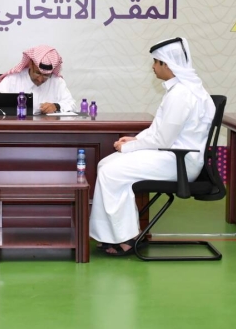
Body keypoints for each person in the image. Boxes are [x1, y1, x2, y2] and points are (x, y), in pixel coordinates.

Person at [89, 37, 215, 256]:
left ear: (167, 64)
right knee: (105, 164)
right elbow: (159, 130)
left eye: (156, 62)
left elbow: (163, 140)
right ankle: (111, 235)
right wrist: (134, 140)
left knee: (111, 172)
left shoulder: (183, 94)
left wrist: (130, 148)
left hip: (179, 161)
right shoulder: (178, 91)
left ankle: (125, 239)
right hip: (170, 156)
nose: (153, 67)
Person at [0, 45, 75, 114]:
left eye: (46, 75)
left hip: (48, 133)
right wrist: (13, 108)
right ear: (31, 64)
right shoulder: (13, 79)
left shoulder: (57, 81)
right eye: (37, 73)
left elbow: (72, 104)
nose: (40, 79)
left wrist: (56, 106)